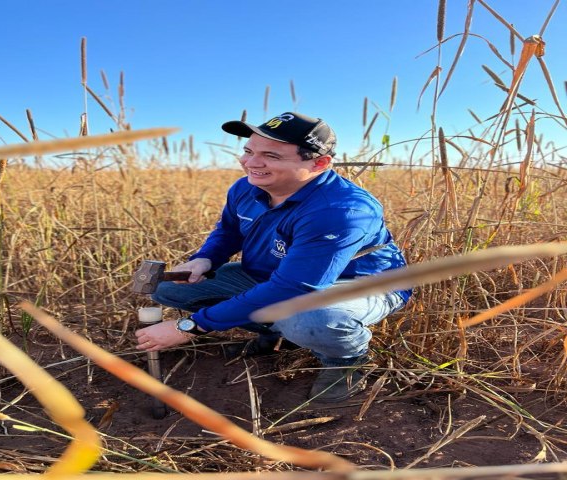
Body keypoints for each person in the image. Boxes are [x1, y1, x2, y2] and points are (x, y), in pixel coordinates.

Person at [135, 112, 411, 403]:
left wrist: (190, 326)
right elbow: (229, 231)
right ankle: (278, 335)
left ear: (319, 163)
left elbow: (294, 288)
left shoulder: (341, 210)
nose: (251, 163)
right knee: (169, 288)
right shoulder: (246, 187)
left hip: (354, 284)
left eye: (271, 155)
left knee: (307, 316)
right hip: (275, 275)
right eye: (248, 151)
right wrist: (205, 259)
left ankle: (346, 361)